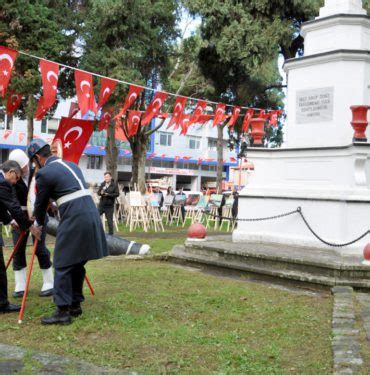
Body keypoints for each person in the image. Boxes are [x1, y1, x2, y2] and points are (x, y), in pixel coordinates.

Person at [27, 139, 108, 325]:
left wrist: (38, 225)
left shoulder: (45, 173)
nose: (35, 166)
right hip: (90, 213)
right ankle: (75, 304)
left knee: (63, 263)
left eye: (34, 162)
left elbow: (40, 204)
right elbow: (67, 192)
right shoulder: (72, 165)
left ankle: (63, 311)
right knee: (77, 262)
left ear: (38, 157)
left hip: (76, 216)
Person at [8, 149, 53, 298]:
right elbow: (12, 199)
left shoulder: (38, 171)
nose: (25, 169)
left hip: (38, 214)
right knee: (18, 249)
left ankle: (49, 281)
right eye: (22, 168)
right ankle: (20, 284)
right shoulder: (12, 177)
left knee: (39, 247)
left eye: (27, 165)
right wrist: (14, 219)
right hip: (19, 216)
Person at [0, 160, 40, 313]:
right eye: (16, 178)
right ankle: (2, 304)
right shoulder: (3, 183)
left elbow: (1, 206)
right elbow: (14, 207)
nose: (16, 182)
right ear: (11, 172)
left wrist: (9, 220)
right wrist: (29, 225)